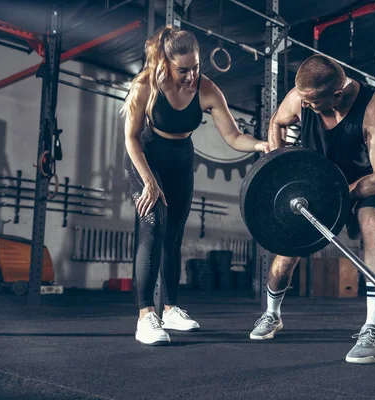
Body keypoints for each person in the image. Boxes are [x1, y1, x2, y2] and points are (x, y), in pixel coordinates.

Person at [121, 25, 269, 346]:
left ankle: (171, 308)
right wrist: (148, 181)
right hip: (145, 159)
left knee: (174, 234)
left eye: (196, 67)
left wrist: (260, 145)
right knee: (155, 223)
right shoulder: (146, 86)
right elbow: (131, 137)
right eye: (183, 69)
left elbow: (233, 136)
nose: (191, 76)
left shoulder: (207, 90)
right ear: (166, 63)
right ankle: (146, 316)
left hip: (180, 160)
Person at [249, 55, 375, 365]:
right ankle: (272, 314)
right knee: (285, 257)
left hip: (360, 185)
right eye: (304, 101)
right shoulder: (301, 98)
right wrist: (279, 166)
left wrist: (343, 194)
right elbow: (277, 122)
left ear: (337, 95)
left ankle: (373, 330)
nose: (306, 107)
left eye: (314, 102)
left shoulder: (374, 109)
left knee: (374, 228)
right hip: (313, 186)